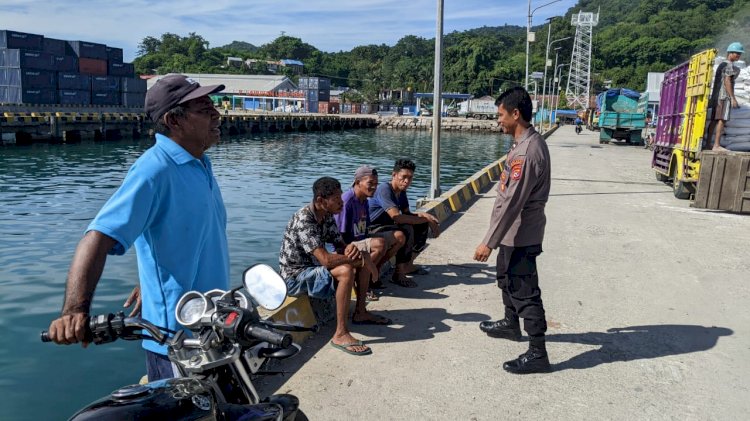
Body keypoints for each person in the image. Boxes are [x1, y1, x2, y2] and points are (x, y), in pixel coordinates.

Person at [45, 74, 229, 381]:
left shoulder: (200, 163)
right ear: (174, 120)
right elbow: (98, 237)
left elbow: (173, 232)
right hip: (175, 340)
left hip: (211, 326)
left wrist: (149, 277)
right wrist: (74, 312)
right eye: (204, 108)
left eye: (213, 106)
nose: (216, 114)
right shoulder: (153, 170)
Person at [473, 87, 552, 374]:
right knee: (506, 279)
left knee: (524, 290)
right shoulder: (520, 145)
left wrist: (488, 243)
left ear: (515, 114)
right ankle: (510, 323)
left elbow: (513, 203)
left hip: (521, 234)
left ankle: (538, 352)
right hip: (512, 234)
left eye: (501, 115)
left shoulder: (528, 152)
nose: (498, 121)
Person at [279, 177, 391, 356]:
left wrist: (352, 250)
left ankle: (361, 312)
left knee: (357, 259)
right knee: (346, 269)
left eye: (341, 197)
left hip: (313, 270)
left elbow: (340, 244)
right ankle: (340, 334)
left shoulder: (327, 216)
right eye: (337, 199)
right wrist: (361, 259)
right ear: (320, 201)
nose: (342, 202)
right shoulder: (304, 220)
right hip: (295, 277)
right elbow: (326, 260)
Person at [334, 166, 406, 297]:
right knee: (379, 244)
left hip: (361, 238)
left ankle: (373, 274)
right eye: (370, 183)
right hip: (347, 245)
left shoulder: (364, 200)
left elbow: (366, 229)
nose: (374, 187)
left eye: (376, 184)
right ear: (357, 182)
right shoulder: (347, 201)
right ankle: (362, 282)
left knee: (399, 237)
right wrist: (355, 252)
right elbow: (340, 236)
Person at [368, 158, 441, 288]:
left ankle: (407, 265)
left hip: (387, 227)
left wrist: (425, 216)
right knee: (406, 228)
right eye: (404, 177)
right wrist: (426, 219)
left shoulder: (401, 192)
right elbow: (397, 217)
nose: (407, 181)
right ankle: (398, 273)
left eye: (410, 178)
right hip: (373, 229)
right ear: (394, 175)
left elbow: (407, 214)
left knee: (420, 225)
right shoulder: (385, 189)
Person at [707, 42, 744, 151]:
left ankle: (709, 144)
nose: (738, 56)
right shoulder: (728, 65)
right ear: (730, 53)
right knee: (722, 119)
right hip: (723, 97)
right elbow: (728, 81)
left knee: (714, 120)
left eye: (739, 54)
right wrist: (732, 98)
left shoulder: (722, 64)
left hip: (716, 97)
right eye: (737, 53)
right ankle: (716, 145)